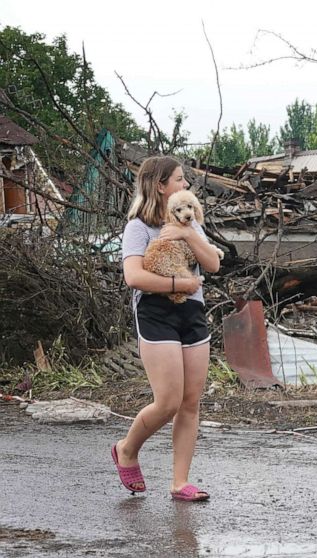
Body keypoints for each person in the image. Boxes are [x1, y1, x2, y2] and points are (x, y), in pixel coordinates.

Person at [112, 156, 221, 502]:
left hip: (192, 312)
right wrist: (178, 283)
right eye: (179, 179)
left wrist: (188, 233)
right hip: (156, 312)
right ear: (161, 186)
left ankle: (180, 482)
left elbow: (213, 264)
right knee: (169, 401)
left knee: (190, 402)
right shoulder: (139, 227)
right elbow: (134, 277)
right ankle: (127, 449)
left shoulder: (191, 222)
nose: (186, 186)